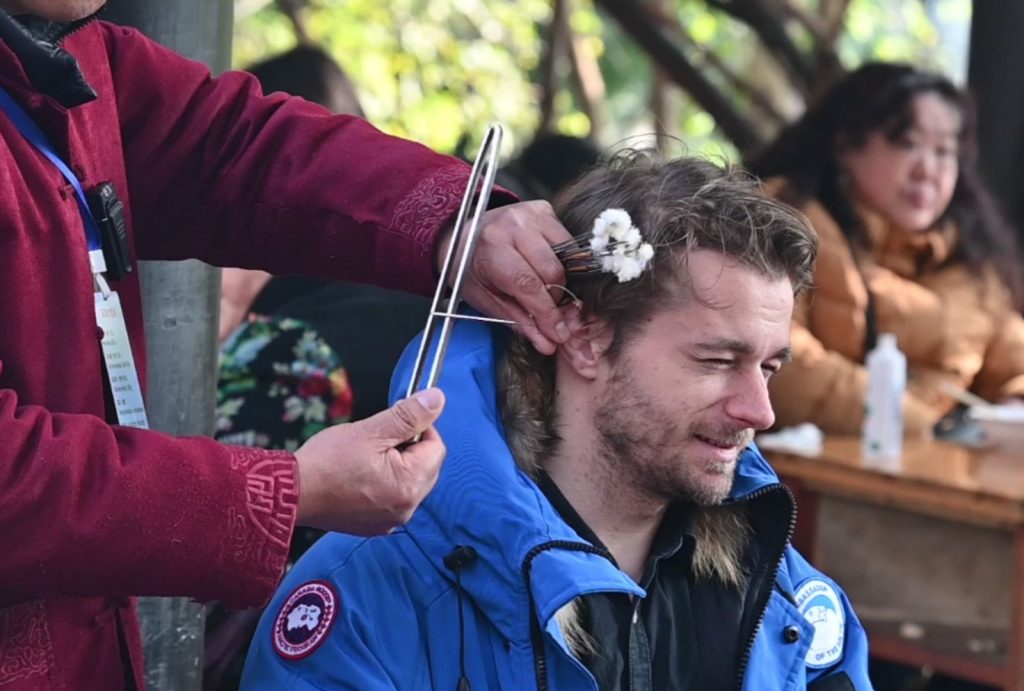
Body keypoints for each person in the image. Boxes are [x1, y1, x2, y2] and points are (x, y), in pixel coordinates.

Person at [0, 2, 574, 689]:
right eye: (708, 358)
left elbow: (229, 146)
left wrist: (454, 221)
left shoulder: (68, 49)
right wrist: (282, 492)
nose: (745, 405)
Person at [241, 151, 872, 690]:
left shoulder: (789, 600)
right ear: (584, 335)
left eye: (768, 368)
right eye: (716, 360)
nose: (758, 411)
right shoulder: (366, 598)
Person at [750, 62, 1024, 437]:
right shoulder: (781, 218)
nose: (928, 170)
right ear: (845, 145)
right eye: (908, 144)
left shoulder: (973, 261)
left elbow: (1016, 364)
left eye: (945, 151)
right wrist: (930, 431)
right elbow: (779, 365)